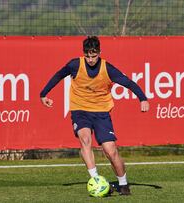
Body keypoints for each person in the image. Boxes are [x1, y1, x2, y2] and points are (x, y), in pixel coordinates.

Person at [40, 36, 149, 195]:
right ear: (84, 54)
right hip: (80, 110)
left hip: (101, 112)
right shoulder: (75, 65)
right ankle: (96, 180)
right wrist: (43, 94)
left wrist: (143, 98)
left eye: (94, 55)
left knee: (110, 151)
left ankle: (123, 184)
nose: (90, 59)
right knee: (85, 139)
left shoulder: (108, 69)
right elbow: (58, 75)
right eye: (88, 55)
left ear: (99, 52)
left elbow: (128, 82)